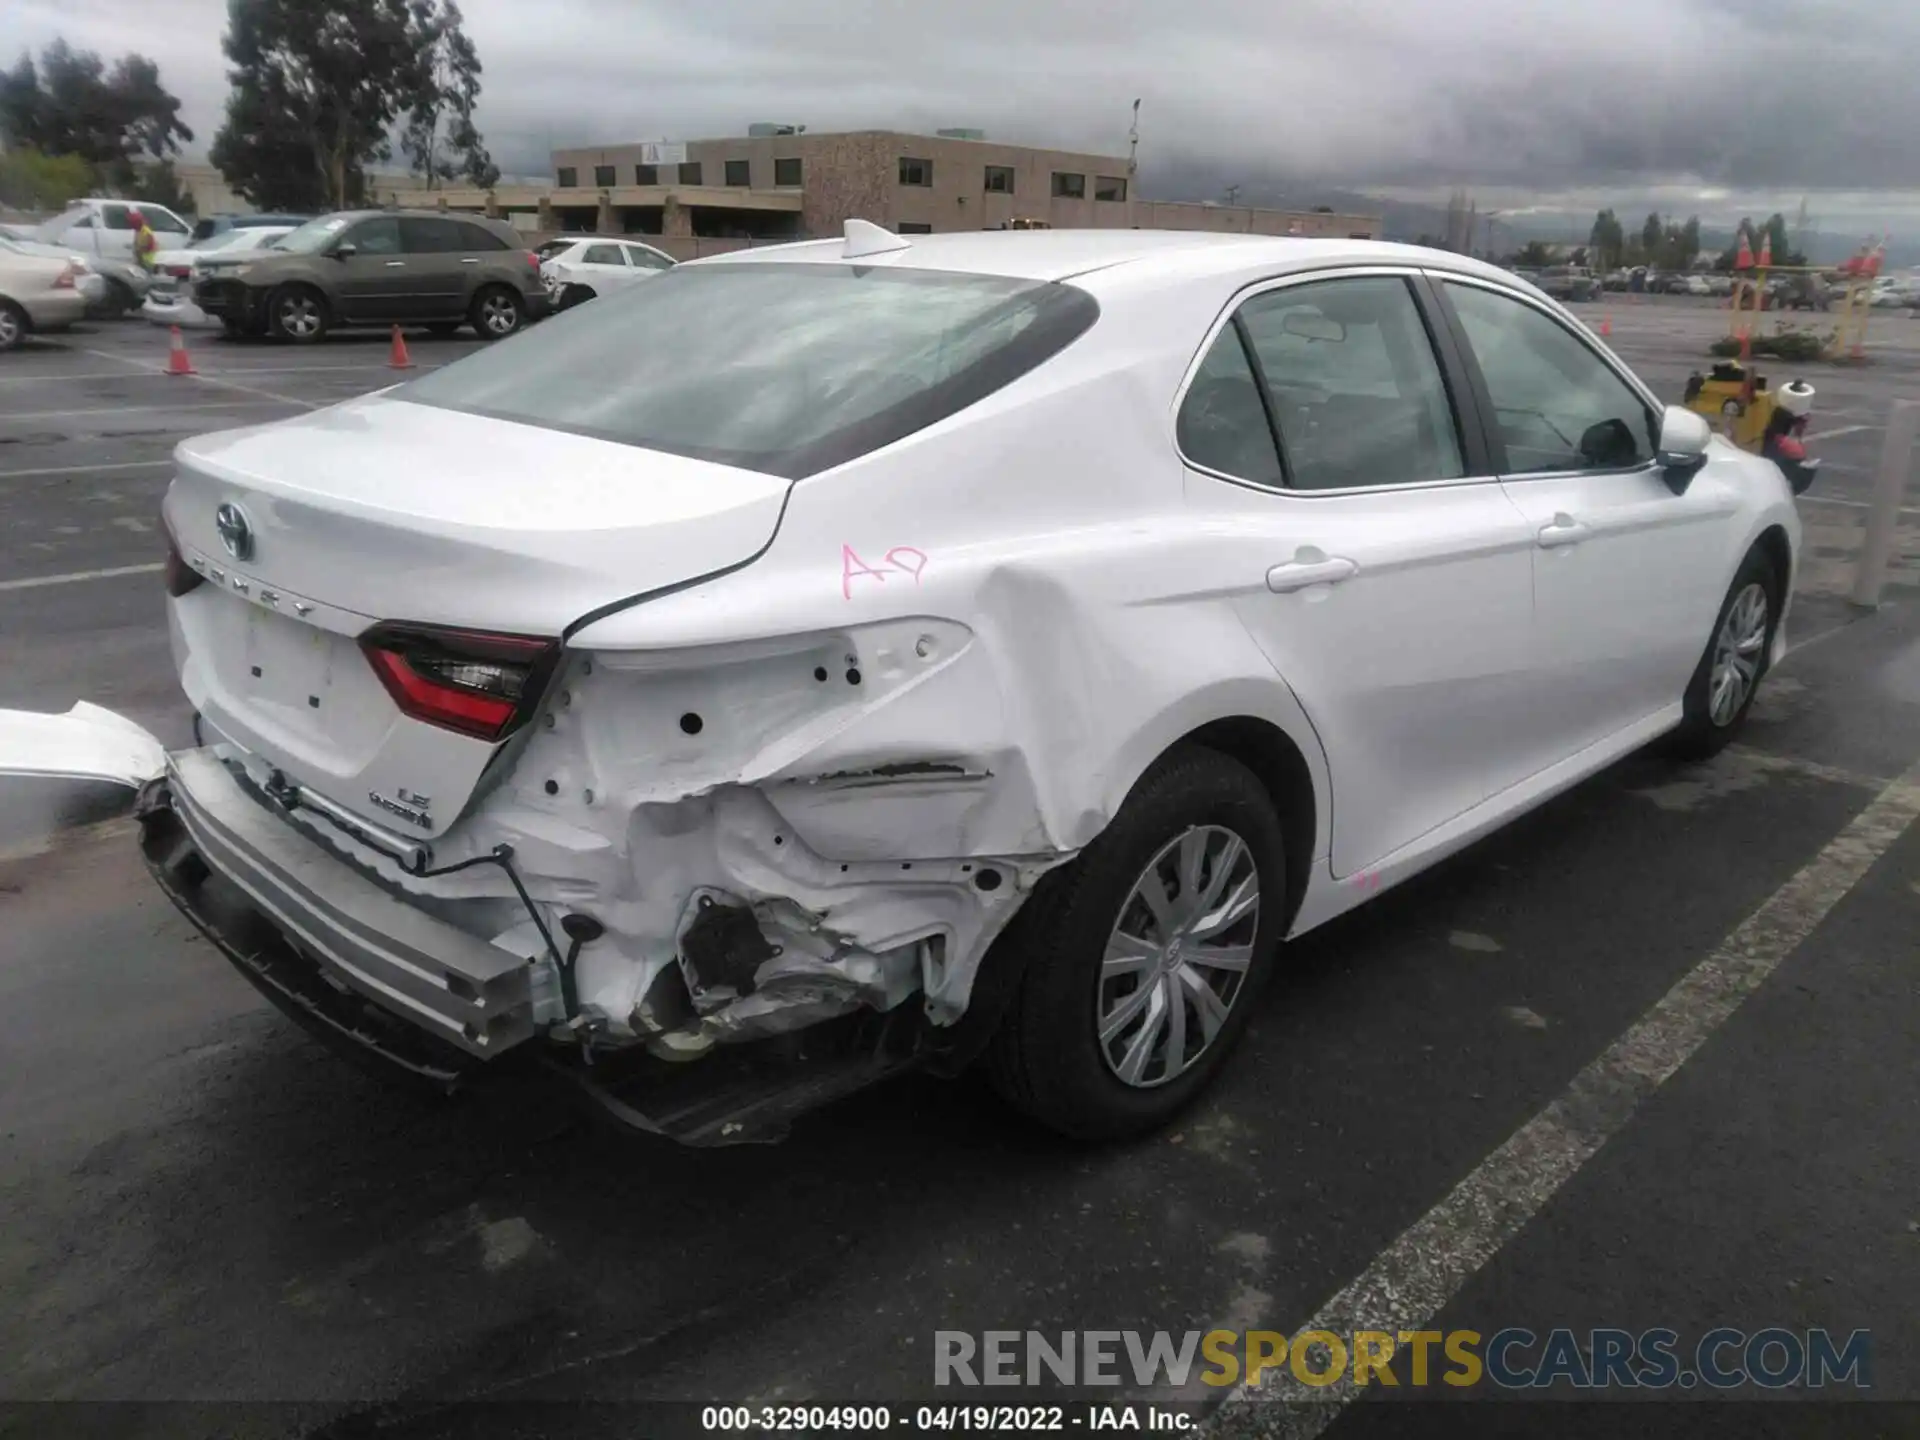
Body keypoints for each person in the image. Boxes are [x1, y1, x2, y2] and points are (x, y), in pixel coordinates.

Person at [128, 207, 159, 272]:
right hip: (142, 261)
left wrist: (139, 252)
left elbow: (149, 247)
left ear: (137, 223)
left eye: (132, 223)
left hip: (148, 262)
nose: (131, 225)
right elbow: (137, 245)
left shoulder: (146, 232)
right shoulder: (138, 231)